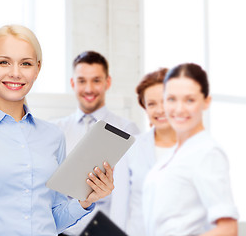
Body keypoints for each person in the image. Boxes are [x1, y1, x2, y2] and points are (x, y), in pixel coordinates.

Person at [0, 24, 115, 236]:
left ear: (37, 70)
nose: (15, 73)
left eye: (25, 63)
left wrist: (85, 201)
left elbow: (52, 218)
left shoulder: (53, 135)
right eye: (4, 62)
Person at [142, 63, 238, 236]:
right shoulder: (174, 154)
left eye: (190, 100)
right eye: (171, 99)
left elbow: (228, 229)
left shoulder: (207, 153)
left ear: (206, 101)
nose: (179, 109)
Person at [53, 51, 140, 236]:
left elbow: (135, 192)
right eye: (82, 81)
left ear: (107, 82)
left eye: (96, 80)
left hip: (106, 231)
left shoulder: (128, 130)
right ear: (72, 83)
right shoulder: (56, 130)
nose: (89, 88)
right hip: (63, 231)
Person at [110, 68, 177, 235]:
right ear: (145, 108)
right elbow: (119, 209)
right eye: (151, 104)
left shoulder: (195, 149)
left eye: (165, 101)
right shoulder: (130, 147)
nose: (159, 110)